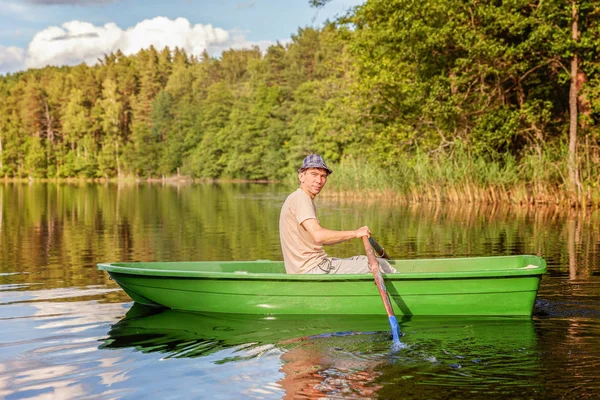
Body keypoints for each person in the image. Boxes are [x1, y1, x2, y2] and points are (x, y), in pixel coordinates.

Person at [279, 154, 396, 274]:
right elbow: (319, 236)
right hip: (311, 269)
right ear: (301, 176)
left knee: (365, 260)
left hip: (313, 266)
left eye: (323, 176)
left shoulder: (299, 197)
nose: (319, 180)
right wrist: (355, 233)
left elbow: (320, 239)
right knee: (381, 265)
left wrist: (355, 233)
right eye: (314, 174)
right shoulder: (301, 198)